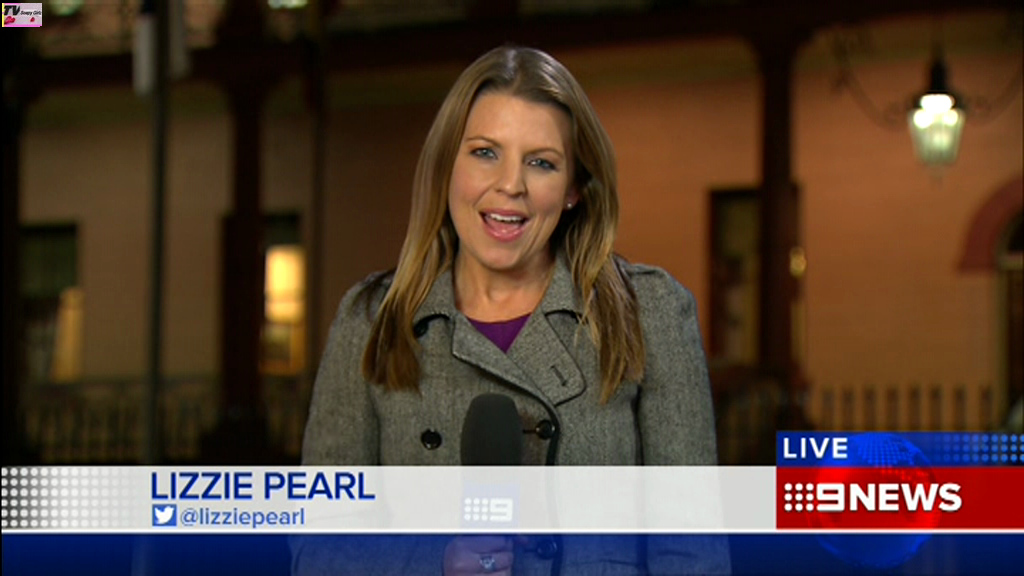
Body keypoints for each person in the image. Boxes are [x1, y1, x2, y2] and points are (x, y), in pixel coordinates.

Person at [294, 45, 729, 575]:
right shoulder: (371, 321)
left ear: (572, 189)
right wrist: (435, 563)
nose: (510, 185)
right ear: (446, 167)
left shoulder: (650, 314)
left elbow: (692, 554)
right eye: (484, 153)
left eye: (541, 162)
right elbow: (319, 550)